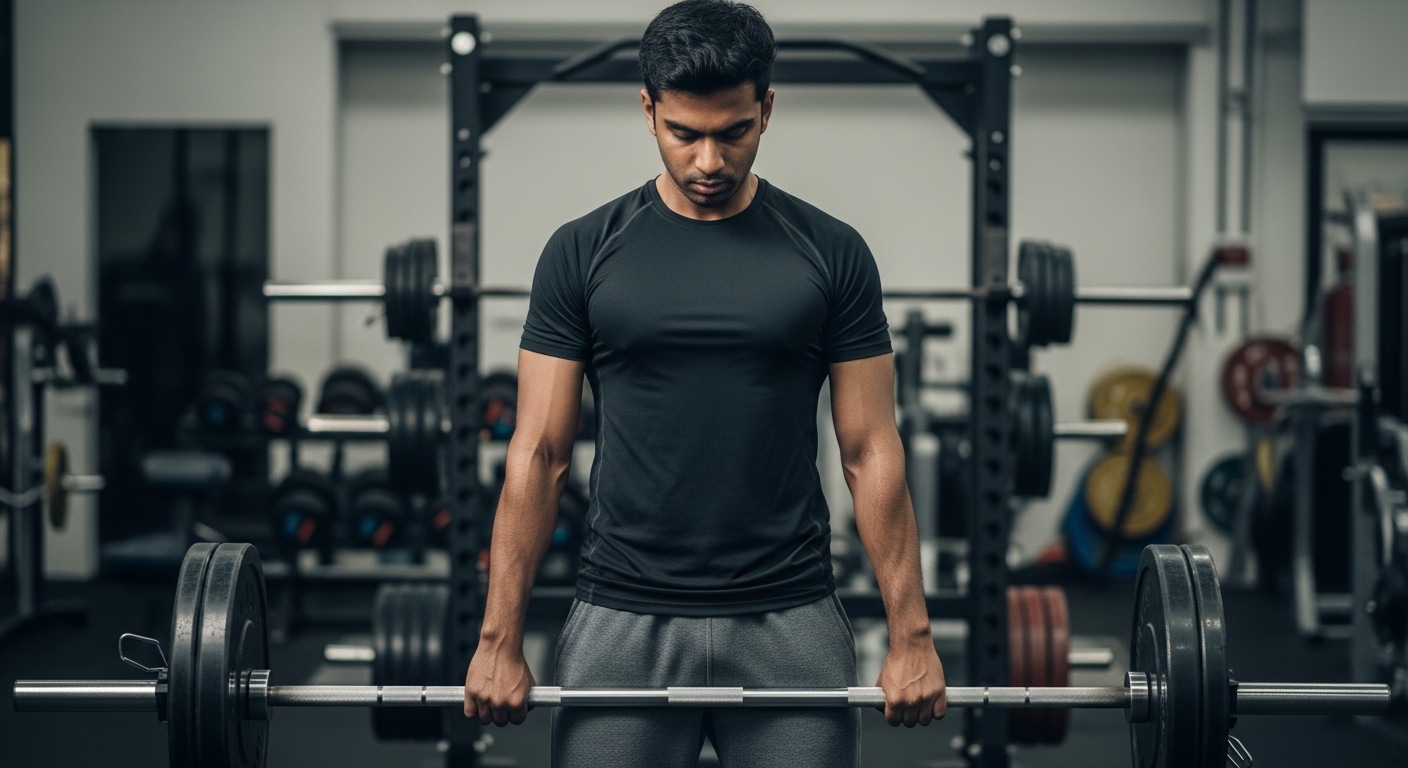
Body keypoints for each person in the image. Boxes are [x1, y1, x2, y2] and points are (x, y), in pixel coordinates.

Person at [463, 1, 946, 765]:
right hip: (621, 613)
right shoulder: (581, 251)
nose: (708, 162)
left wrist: (911, 634)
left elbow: (869, 448)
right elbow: (540, 452)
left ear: (768, 110)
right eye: (684, 133)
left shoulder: (832, 252)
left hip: (790, 613)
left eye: (734, 132)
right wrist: (499, 638)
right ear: (648, 110)